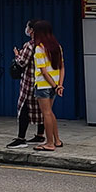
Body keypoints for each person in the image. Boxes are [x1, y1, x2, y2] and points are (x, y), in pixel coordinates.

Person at [7, 20, 46, 148]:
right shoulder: (45, 44)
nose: (26, 29)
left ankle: (21, 138)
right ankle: (40, 135)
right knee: (42, 109)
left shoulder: (30, 46)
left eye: (28, 27)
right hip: (42, 81)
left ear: (32, 30)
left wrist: (17, 55)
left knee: (24, 107)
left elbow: (22, 63)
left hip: (29, 82)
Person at [31, 20, 65, 152]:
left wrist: (55, 86)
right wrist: (59, 85)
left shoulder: (39, 48)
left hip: (43, 85)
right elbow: (62, 67)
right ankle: (57, 140)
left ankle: (49, 143)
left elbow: (43, 72)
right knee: (50, 113)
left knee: (46, 114)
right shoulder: (57, 47)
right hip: (54, 85)